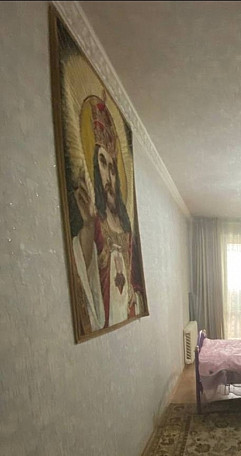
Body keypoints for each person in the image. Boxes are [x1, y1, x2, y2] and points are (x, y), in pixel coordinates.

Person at [72, 95, 145, 333]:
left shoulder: (126, 228)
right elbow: (84, 267)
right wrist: (87, 226)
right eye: (103, 163)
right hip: (105, 320)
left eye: (113, 168)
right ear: (95, 167)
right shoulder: (94, 222)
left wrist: (135, 296)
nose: (109, 176)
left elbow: (135, 282)